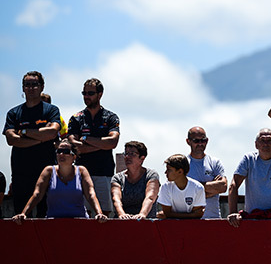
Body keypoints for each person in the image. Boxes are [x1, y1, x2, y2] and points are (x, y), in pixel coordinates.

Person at [4, 71, 61, 217]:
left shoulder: (51, 110)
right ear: (23, 88)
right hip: (21, 174)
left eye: (34, 84)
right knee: (21, 218)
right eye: (27, 85)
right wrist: (41, 138)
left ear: (42, 87)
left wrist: (23, 132)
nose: (30, 88)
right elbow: (11, 140)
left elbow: (52, 133)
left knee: (46, 217)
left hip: (46, 173)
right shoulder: (13, 113)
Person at [12, 139, 107, 223]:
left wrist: (99, 213)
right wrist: (24, 213)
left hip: (79, 222)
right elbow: (37, 195)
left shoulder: (82, 170)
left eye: (66, 151)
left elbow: (91, 194)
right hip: (53, 223)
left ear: (74, 156)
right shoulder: (48, 171)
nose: (61, 154)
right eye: (59, 151)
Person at [68, 78, 120, 217]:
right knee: (82, 214)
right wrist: (102, 145)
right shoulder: (76, 118)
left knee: (105, 212)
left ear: (100, 94)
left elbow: (113, 142)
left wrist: (85, 139)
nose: (86, 96)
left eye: (90, 93)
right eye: (84, 93)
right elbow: (74, 146)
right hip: (81, 173)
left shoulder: (111, 117)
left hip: (104, 172)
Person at [111, 141, 160, 219]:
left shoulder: (151, 175)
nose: (127, 157)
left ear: (142, 158)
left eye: (132, 154)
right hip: (123, 222)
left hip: (146, 222)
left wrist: (142, 214)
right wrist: (121, 214)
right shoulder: (117, 178)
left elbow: (150, 197)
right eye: (126, 153)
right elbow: (116, 199)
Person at [185, 126, 227, 219]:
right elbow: (182, 192)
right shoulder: (184, 164)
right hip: (190, 221)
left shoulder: (215, 162)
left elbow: (223, 186)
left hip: (213, 219)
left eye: (203, 140)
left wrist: (195, 189)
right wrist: (213, 190)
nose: (200, 144)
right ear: (188, 142)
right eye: (196, 141)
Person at [157, 154, 206, 219]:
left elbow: (197, 215)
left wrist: (170, 215)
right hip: (170, 226)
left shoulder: (198, 188)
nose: (165, 172)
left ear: (180, 172)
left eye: (169, 170)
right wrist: (191, 215)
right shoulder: (165, 187)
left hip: (192, 227)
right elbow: (168, 214)